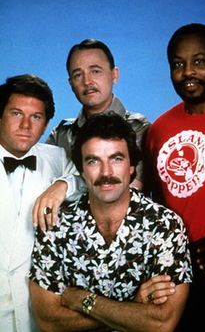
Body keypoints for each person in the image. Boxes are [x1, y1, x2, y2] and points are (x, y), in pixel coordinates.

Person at [29, 112, 192, 332]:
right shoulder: (56, 224)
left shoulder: (165, 226)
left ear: (132, 167)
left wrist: (84, 301)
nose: (106, 173)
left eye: (116, 159)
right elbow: (49, 321)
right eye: (93, 161)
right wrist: (131, 308)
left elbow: (161, 323)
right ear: (81, 171)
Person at [146, 23, 205, 331]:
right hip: (184, 276)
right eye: (178, 65)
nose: (188, 72)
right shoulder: (158, 130)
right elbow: (155, 205)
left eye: (199, 61)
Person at [33, 39, 150, 230]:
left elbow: (119, 191)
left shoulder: (140, 129)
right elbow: (37, 186)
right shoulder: (61, 134)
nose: (87, 81)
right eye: (78, 75)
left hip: (128, 237)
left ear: (114, 75)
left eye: (95, 71)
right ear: (70, 83)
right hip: (66, 245)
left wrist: (65, 184)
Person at [0, 74, 80, 332]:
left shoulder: (56, 157)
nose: (26, 125)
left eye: (36, 117)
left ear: (46, 125)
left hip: (35, 312)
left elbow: (89, 179)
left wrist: (63, 185)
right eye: (16, 113)